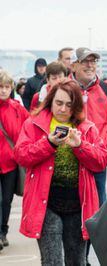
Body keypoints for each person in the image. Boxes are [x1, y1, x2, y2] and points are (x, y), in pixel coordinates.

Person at [14, 79, 107, 265]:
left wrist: (81, 145)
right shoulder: (34, 124)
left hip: (78, 205)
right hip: (46, 204)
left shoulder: (87, 127)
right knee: (52, 261)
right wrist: (48, 143)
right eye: (59, 103)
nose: (63, 109)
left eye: (69, 104)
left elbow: (101, 162)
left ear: (76, 106)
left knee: (77, 261)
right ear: (50, 101)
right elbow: (21, 155)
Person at [70, 47, 107, 265]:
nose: (90, 65)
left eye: (93, 61)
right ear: (73, 65)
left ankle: (84, 259)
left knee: (94, 217)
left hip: (95, 164)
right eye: (85, 61)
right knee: (68, 215)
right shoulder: (62, 89)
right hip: (66, 161)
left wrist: (101, 146)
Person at [0, 71, 29, 249]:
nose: (3, 90)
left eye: (6, 87)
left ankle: (3, 231)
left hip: (10, 163)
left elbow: (29, 128)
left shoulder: (17, 108)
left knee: (6, 200)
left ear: (11, 88)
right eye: (0, 87)